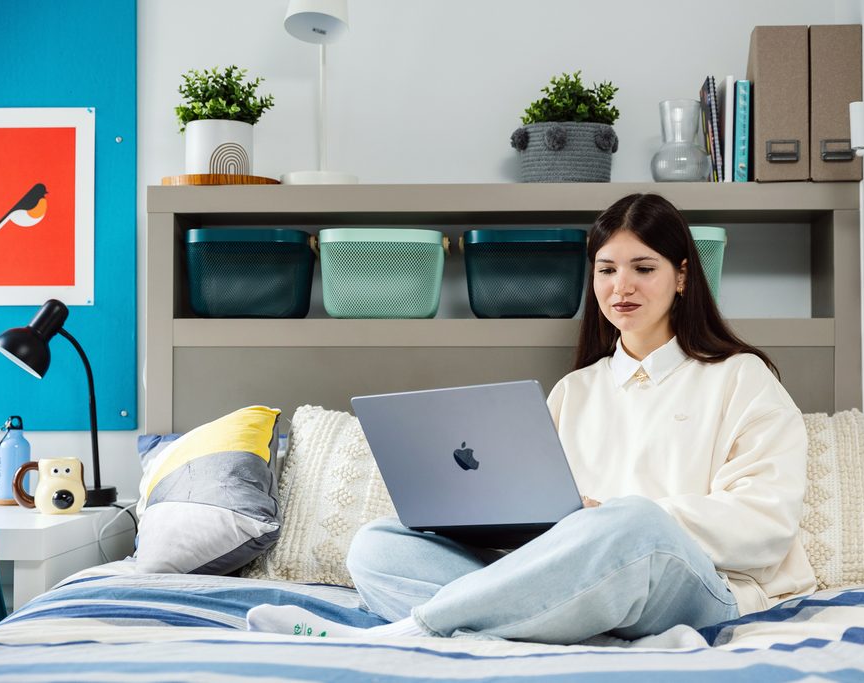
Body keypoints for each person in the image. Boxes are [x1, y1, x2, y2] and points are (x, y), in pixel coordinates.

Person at [247, 193, 817, 644]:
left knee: (634, 523)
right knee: (377, 545)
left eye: (643, 268)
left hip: (701, 588)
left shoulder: (740, 377)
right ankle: (560, 630)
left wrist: (610, 519)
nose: (621, 287)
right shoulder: (576, 390)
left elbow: (764, 526)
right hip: (569, 584)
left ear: (683, 276)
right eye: (606, 270)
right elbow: (540, 515)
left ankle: (408, 631)